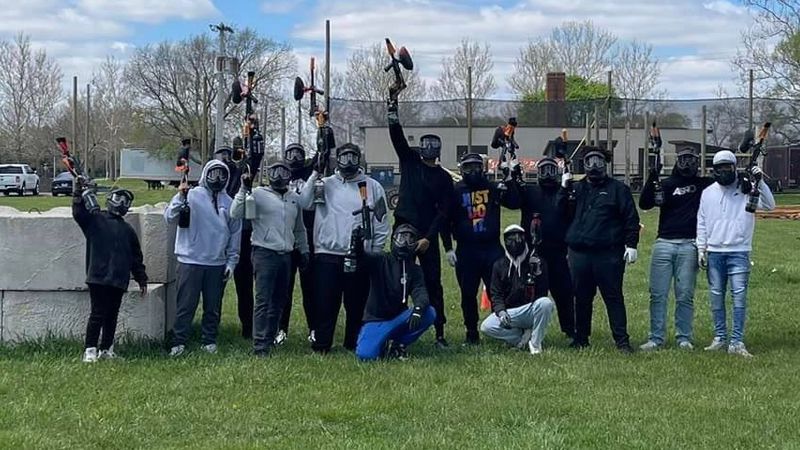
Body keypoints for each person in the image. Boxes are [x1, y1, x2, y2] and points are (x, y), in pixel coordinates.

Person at [299, 143, 390, 353]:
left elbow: (381, 222)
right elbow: (304, 203)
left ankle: (353, 343)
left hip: (359, 254)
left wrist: (374, 253)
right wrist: (315, 174)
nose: (348, 162)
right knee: (325, 304)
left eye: (353, 157)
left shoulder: (372, 186)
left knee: (356, 304)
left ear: (359, 160)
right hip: (327, 254)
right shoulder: (324, 183)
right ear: (336, 160)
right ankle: (322, 345)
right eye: (344, 157)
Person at [387, 98, 454, 348]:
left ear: (439, 150)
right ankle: (394, 330)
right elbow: (397, 136)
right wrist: (392, 106)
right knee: (397, 280)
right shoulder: (409, 161)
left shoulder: (444, 178)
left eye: (433, 144)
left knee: (433, 282)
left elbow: (444, 212)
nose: (428, 148)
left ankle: (439, 333)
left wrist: (429, 237)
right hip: (403, 230)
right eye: (425, 144)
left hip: (427, 235)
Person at [558, 148, 639, 353]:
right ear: (584, 165)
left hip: (608, 253)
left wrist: (631, 244)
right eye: (590, 161)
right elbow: (560, 213)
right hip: (579, 253)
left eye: (599, 161)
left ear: (605, 164)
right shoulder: (575, 189)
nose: (594, 166)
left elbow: (631, 218)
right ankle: (581, 338)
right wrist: (564, 189)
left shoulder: (618, 189)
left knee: (613, 297)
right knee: (581, 298)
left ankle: (622, 341)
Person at [697, 150, 775, 357]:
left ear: (734, 168)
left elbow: (770, 205)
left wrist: (760, 182)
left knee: (739, 298)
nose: (724, 171)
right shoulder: (708, 193)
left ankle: (737, 341)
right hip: (714, 252)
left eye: (727, 167)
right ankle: (720, 337)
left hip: (739, 251)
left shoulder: (746, 189)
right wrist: (701, 248)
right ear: (714, 170)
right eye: (719, 168)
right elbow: (701, 222)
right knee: (716, 297)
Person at [164, 159, 241, 357]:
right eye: (213, 173)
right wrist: (180, 196)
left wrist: (231, 263)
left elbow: (235, 235)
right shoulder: (190, 195)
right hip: (190, 260)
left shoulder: (229, 203)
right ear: (205, 175)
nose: (218, 178)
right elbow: (169, 217)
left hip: (217, 263)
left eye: (222, 174)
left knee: (213, 306)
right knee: (185, 305)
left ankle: (209, 340)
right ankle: (179, 342)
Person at [639, 147, 713, 351]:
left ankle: (684, 337)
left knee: (685, 295)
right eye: (683, 159)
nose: (687, 163)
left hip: (690, 244)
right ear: (677, 161)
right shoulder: (665, 184)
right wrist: (652, 176)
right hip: (664, 243)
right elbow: (644, 204)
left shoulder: (704, 185)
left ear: (697, 163)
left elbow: (726, 183)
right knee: (657, 294)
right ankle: (656, 338)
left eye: (691, 159)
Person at [441, 152, 520, 345]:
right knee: (468, 294)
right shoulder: (455, 191)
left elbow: (513, 202)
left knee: (499, 292)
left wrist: (509, 178)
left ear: (483, 168)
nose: (474, 171)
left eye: (477, 166)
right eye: (468, 167)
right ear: (462, 170)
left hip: (492, 248)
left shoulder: (492, 187)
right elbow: (444, 220)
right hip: (466, 250)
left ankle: (501, 330)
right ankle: (471, 333)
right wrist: (448, 248)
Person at [231, 162, 308, 357]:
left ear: (289, 175)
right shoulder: (257, 194)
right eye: (275, 171)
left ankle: (270, 337)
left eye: (283, 172)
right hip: (264, 252)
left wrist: (304, 250)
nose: (279, 176)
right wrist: (244, 189)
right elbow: (235, 213)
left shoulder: (294, 198)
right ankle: (259, 345)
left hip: (286, 255)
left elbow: (299, 228)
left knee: (279, 301)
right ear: (268, 174)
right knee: (263, 300)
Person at [73, 181, 147, 362]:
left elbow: (136, 258)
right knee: (97, 314)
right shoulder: (95, 220)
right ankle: (90, 350)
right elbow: (78, 214)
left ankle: (106, 349)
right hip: (98, 277)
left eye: (125, 201)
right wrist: (78, 194)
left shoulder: (128, 230)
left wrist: (141, 278)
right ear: (109, 199)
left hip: (118, 279)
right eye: (118, 198)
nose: (121, 203)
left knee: (112, 316)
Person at [507, 157, 575, 339]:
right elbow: (512, 201)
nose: (547, 174)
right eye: (543, 170)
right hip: (534, 253)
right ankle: (530, 331)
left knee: (564, 293)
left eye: (551, 170)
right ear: (537, 173)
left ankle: (570, 330)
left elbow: (567, 210)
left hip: (559, 252)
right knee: (533, 294)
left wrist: (567, 186)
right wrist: (513, 175)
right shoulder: (530, 191)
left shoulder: (564, 191)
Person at [355, 224, 436, 361]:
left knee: (429, 313)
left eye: (410, 239)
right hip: (376, 320)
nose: (404, 243)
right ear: (393, 240)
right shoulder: (380, 260)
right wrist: (358, 243)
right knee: (366, 355)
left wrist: (418, 309)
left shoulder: (415, 270)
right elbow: (362, 258)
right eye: (401, 238)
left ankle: (398, 344)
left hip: (398, 318)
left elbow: (420, 292)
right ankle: (383, 342)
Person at [480, 225, 555, 355]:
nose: (515, 242)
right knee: (486, 326)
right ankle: (521, 339)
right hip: (510, 313)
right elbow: (495, 294)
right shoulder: (499, 265)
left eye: (518, 237)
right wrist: (501, 311)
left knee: (546, 304)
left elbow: (542, 293)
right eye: (510, 239)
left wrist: (538, 272)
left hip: (530, 310)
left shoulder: (537, 262)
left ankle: (535, 344)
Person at [277, 143, 317, 345]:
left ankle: (314, 328)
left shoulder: (311, 173)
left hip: (308, 237)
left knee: (311, 288)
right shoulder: (280, 176)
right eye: (291, 154)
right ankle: (280, 329)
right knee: (284, 288)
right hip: (285, 238)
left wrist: (323, 131)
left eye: (298, 154)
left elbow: (323, 154)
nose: (294, 158)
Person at [214, 145, 252, 339]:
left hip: (243, 234)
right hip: (219, 239)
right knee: (216, 287)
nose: (226, 158)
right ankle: (213, 326)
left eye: (229, 154)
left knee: (244, 286)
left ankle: (248, 327)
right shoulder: (214, 181)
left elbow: (253, 160)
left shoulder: (242, 171)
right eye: (222, 155)